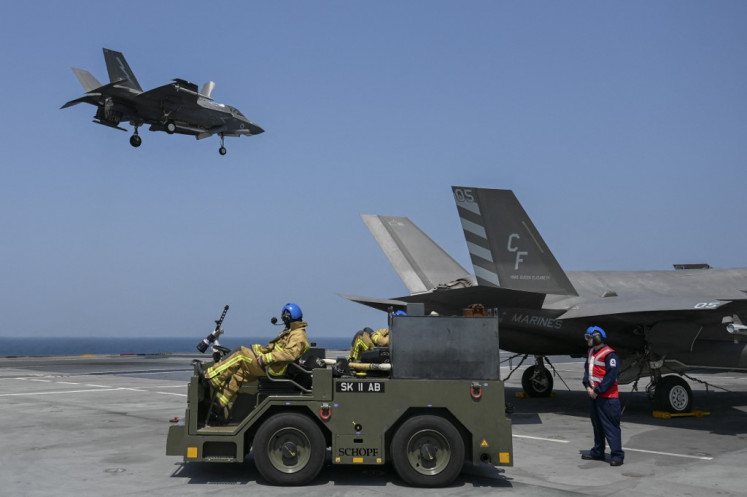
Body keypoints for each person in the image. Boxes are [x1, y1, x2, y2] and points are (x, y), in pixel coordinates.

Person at [203, 303, 309, 423]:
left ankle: (211, 377)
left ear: (287, 317)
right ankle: (219, 406)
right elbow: (274, 349)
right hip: (273, 366)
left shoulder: (298, 335)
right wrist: (257, 351)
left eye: (284, 318)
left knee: (240, 353)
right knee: (240, 373)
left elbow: (290, 354)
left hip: (273, 368)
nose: (283, 320)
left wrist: (266, 358)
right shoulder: (292, 332)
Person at [581, 325, 625, 466]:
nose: (587, 340)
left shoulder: (610, 354)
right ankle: (598, 451)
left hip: (608, 398)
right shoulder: (591, 353)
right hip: (594, 396)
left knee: (611, 427)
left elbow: (611, 377)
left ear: (597, 338)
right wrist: (588, 387)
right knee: (597, 426)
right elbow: (587, 371)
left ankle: (617, 455)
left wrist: (597, 391)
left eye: (589, 338)